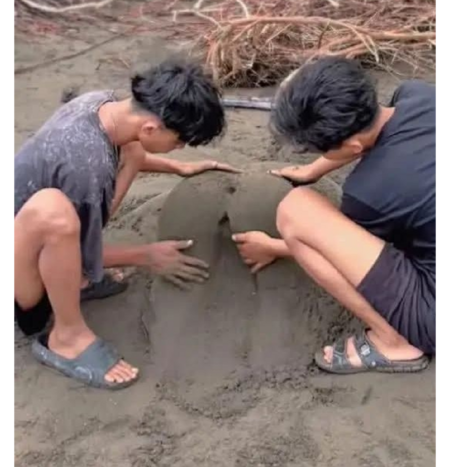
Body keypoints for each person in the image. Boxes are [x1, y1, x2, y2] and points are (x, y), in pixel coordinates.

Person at [12, 60, 237, 390]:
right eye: (179, 142)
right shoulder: (86, 167)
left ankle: (76, 280)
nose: (180, 149)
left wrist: (179, 168)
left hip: (24, 231)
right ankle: (66, 336)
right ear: (151, 128)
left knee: (129, 148)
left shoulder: (101, 104)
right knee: (54, 212)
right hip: (21, 278)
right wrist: (146, 255)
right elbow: (77, 246)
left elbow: (131, 147)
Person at [233, 58, 438, 374]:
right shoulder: (417, 94)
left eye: (320, 150)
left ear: (352, 146)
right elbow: (370, 137)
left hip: (431, 314)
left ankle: (394, 343)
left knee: (295, 210)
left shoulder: (368, 194)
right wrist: (313, 170)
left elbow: (343, 252)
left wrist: (271, 247)